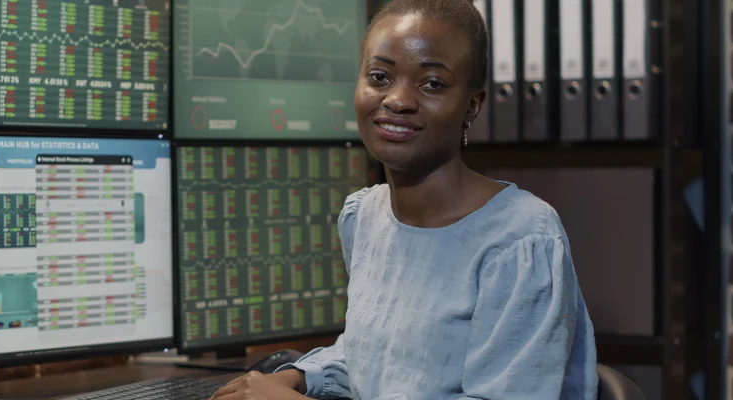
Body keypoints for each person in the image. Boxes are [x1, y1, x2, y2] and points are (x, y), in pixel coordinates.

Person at [209, 0, 598, 398]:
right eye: (379, 76)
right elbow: (379, 359)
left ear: (472, 104)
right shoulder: (364, 216)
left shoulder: (521, 239)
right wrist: (300, 377)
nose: (397, 99)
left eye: (432, 83)